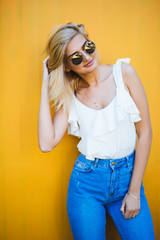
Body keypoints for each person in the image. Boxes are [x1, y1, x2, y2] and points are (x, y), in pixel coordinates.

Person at [38, 22, 155, 240]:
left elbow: (146, 132)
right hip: (86, 185)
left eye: (87, 47)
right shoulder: (70, 94)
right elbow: (46, 143)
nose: (86, 57)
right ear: (66, 66)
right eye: (75, 57)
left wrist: (134, 192)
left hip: (127, 179)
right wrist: (46, 82)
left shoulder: (124, 74)